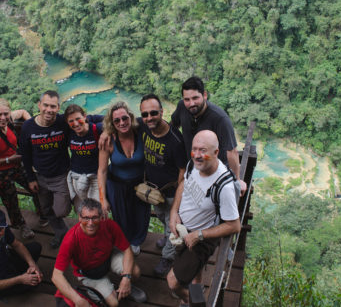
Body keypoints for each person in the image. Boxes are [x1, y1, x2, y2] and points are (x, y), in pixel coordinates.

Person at [167, 130, 241, 306]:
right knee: (196, 273)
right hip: (182, 228)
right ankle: (198, 302)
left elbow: (234, 225)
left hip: (202, 237)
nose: (198, 155)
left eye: (203, 151)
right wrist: (173, 212)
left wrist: (199, 235)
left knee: (172, 281)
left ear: (216, 153)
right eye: (195, 149)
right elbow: (184, 185)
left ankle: (187, 299)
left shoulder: (224, 186)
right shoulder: (194, 164)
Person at [52, 199, 146, 307]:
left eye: (94, 218)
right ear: (79, 217)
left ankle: (127, 286)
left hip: (108, 257)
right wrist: (78, 300)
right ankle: (109, 289)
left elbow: (127, 250)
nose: (90, 223)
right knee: (114, 303)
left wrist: (126, 278)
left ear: (101, 216)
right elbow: (56, 276)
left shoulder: (109, 225)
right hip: (89, 273)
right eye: (86, 218)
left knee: (135, 272)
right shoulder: (71, 239)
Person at [138, 94, 187, 277]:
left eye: (153, 113)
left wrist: (178, 198)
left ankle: (168, 258)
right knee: (160, 216)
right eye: (145, 114)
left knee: (172, 224)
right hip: (153, 191)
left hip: (171, 192)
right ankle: (167, 237)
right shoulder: (144, 126)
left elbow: (183, 169)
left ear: (161, 112)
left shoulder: (175, 140)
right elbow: (121, 120)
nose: (149, 118)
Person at [0, 98, 38, 240]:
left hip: (18, 166)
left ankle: (43, 215)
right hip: (0, 173)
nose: (3, 118)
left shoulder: (9, 120)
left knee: (36, 187)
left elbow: (23, 112)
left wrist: (33, 127)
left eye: (6, 113)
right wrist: (7, 160)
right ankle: (21, 225)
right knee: (10, 201)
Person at [19, 90, 71, 248]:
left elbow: (83, 121)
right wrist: (30, 178)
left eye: (53, 106)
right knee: (46, 209)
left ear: (58, 107)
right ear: (39, 105)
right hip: (40, 176)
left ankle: (67, 233)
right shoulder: (28, 127)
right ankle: (61, 232)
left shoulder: (63, 122)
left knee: (61, 210)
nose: (49, 110)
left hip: (61, 175)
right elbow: (25, 155)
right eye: (46, 105)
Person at [97, 101, 149, 255]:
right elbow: (102, 171)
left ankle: (136, 242)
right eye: (117, 120)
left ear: (131, 117)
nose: (122, 122)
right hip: (117, 187)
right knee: (122, 219)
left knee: (141, 216)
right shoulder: (109, 140)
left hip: (140, 185)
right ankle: (126, 246)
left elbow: (156, 121)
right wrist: (102, 198)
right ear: (111, 123)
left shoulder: (140, 131)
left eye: (125, 118)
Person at [170, 76, 240, 177]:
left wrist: (236, 181)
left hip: (214, 173)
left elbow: (232, 152)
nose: (191, 103)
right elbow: (172, 128)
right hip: (191, 168)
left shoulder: (219, 118)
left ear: (205, 95)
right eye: (187, 99)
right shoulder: (182, 107)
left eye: (195, 98)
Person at [64, 104, 103, 213]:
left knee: (96, 210)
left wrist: (106, 133)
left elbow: (111, 120)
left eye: (78, 119)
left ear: (85, 117)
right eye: (71, 121)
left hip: (95, 177)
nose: (75, 124)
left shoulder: (96, 129)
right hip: (76, 176)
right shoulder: (69, 132)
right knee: (82, 210)